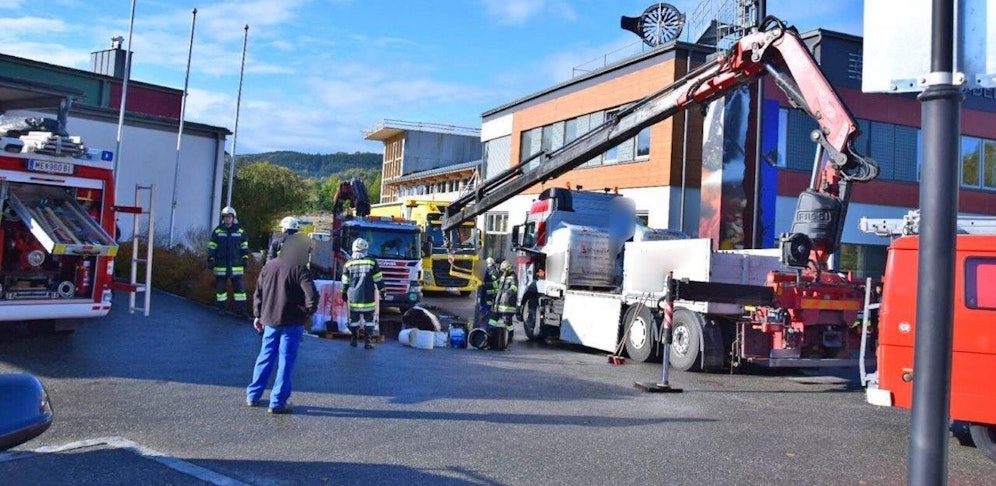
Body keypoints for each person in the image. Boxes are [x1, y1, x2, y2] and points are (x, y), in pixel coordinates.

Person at [246, 237, 318, 414]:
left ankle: (253, 395)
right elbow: (312, 296)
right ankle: (277, 402)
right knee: (286, 361)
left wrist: (257, 315)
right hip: (291, 322)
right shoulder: (300, 269)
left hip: (269, 320)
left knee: (265, 356)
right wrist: (307, 314)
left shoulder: (269, 266)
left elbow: (258, 293)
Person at [341, 237, 386, 349]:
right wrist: (382, 291)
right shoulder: (371, 262)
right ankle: (368, 342)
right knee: (369, 321)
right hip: (368, 298)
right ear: (366, 249)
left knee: (354, 321)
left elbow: (345, 282)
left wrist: (343, 292)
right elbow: (378, 279)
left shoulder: (348, 264)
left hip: (354, 298)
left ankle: (354, 340)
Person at [207, 206, 250, 317]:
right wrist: (210, 258)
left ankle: (241, 312)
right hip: (221, 266)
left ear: (233, 217)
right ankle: (222, 309)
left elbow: (244, 247)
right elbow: (212, 246)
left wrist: (245, 258)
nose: (227, 219)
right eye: (225, 217)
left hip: (236, 267)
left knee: (240, 292)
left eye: (229, 217)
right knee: (221, 291)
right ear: (223, 218)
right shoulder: (218, 231)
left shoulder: (240, 231)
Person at [489, 260, 518, 350]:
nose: (503, 272)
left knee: (507, 321)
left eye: (505, 270)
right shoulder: (502, 276)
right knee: (493, 319)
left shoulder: (513, 277)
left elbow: (514, 287)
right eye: (502, 270)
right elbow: (498, 287)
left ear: (508, 269)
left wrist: (508, 293)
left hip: (507, 305)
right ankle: (490, 333)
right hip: (499, 304)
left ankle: (510, 335)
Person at [476, 257, 499, 328]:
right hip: (486, 292)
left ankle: (487, 318)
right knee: (486, 306)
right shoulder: (490, 270)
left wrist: (485, 283)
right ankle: (486, 317)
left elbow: (494, 282)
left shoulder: (492, 270)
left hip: (490, 292)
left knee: (489, 307)